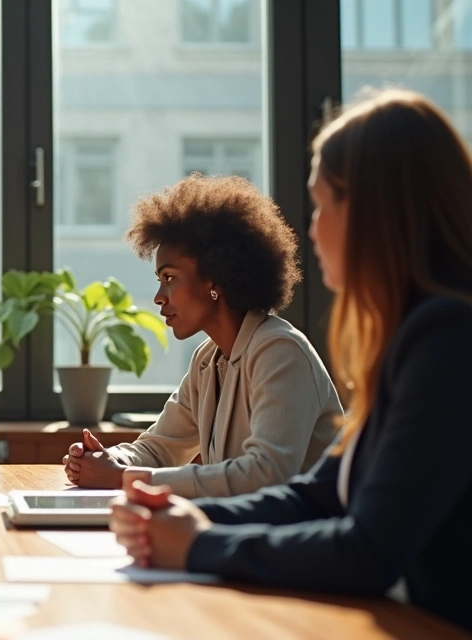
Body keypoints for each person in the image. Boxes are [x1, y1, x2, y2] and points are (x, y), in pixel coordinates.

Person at [110, 89, 472, 632]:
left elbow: (369, 549)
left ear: (379, 210)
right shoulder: (409, 337)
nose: (313, 228)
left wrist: (200, 544)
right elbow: (320, 493)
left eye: (324, 204)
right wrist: (183, 517)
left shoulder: (445, 338)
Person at [65, 174, 342, 498]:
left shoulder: (281, 352)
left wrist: (122, 477)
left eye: (170, 277)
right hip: (244, 534)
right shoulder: (207, 360)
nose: (158, 296)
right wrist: (107, 460)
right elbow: (158, 449)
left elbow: (266, 476)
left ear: (215, 279)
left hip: (299, 542)